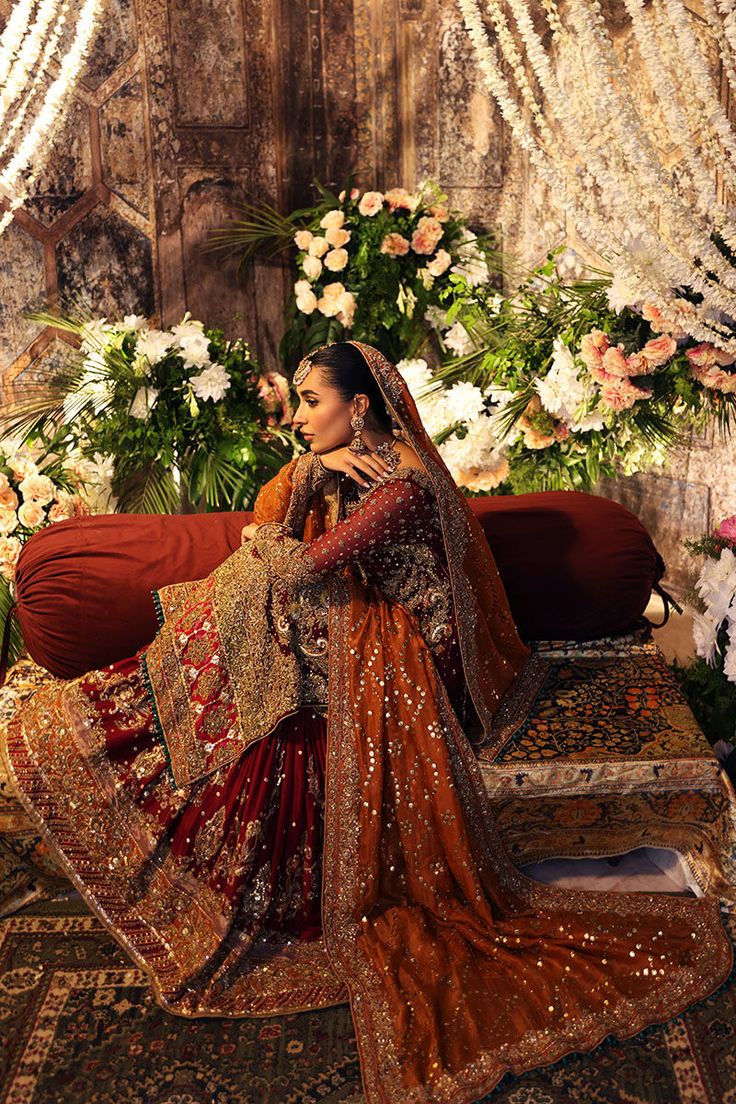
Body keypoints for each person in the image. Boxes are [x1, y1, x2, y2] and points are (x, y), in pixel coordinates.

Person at [1, 340, 731, 1103]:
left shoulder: (402, 489)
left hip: (407, 650)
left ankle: (144, 725)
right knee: (254, 607)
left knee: (258, 604)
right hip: (362, 612)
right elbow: (271, 518)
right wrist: (313, 474)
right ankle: (160, 715)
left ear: (358, 408)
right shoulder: (351, 460)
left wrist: (280, 534)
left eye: (313, 402)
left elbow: (299, 562)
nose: (301, 419)